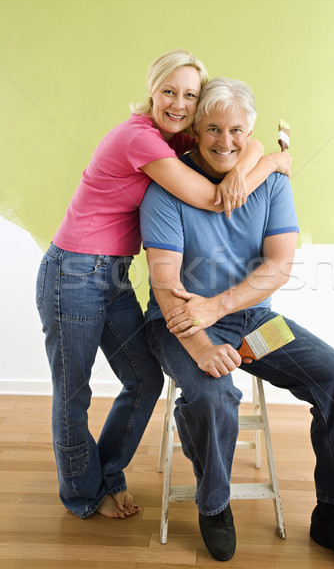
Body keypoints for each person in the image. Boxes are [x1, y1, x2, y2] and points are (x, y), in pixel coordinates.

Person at [141, 77, 334, 568]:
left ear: (250, 128)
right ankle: (214, 504)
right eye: (212, 128)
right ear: (195, 129)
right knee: (214, 394)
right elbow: (168, 288)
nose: (225, 141)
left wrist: (220, 306)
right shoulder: (167, 190)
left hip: (252, 321)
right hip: (180, 324)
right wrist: (203, 330)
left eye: (237, 130)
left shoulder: (271, 183)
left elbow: (279, 266)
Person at [36, 49, 292, 521]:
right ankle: (84, 495)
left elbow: (243, 139)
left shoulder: (175, 139)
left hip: (116, 276)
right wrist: (272, 165)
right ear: (151, 90)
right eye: (169, 91)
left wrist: (253, 160)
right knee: (73, 392)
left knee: (143, 378)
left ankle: (107, 475)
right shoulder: (142, 140)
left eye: (190, 95)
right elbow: (217, 200)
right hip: (73, 272)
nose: (178, 102)